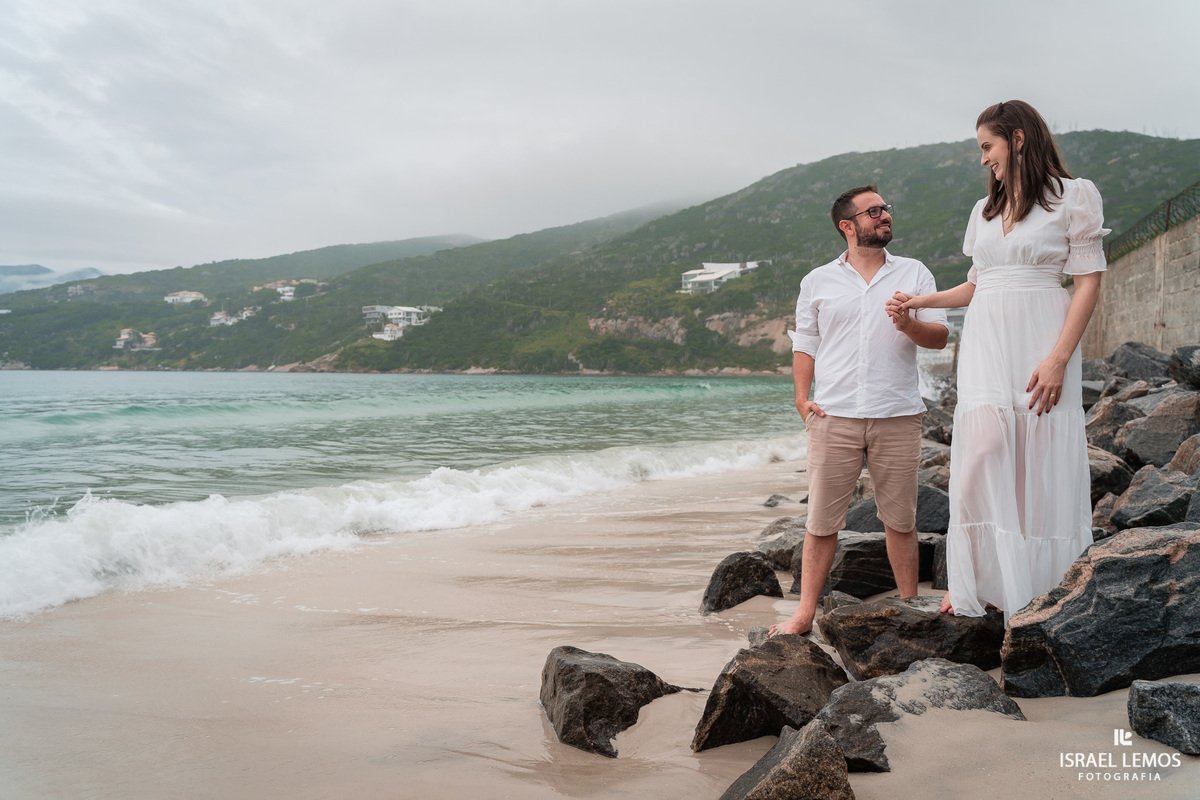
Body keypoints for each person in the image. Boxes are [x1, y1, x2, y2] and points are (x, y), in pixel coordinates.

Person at [888, 100, 1107, 618]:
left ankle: (1036, 586)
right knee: (983, 448)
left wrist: (1058, 359)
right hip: (986, 342)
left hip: (1041, 339)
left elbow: (1088, 283)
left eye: (987, 146)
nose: (983, 158)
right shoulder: (984, 211)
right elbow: (977, 283)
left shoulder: (1072, 197)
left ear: (1018, 139)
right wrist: (921, 301)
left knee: (1036, 460)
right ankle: (978, 577)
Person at [769, 185, 949, 637]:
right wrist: (800, 397)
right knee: (821, 522)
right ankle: (804, 613)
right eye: (874, 211)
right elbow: (805, 343)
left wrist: (908, 323)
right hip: (833, 416)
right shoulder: (817, 281)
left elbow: (940, 337)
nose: (885, 215)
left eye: (886, 208)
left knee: (901, 520)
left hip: (897, 414)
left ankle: (909, 608)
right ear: (848, 226)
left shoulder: (915, 273)